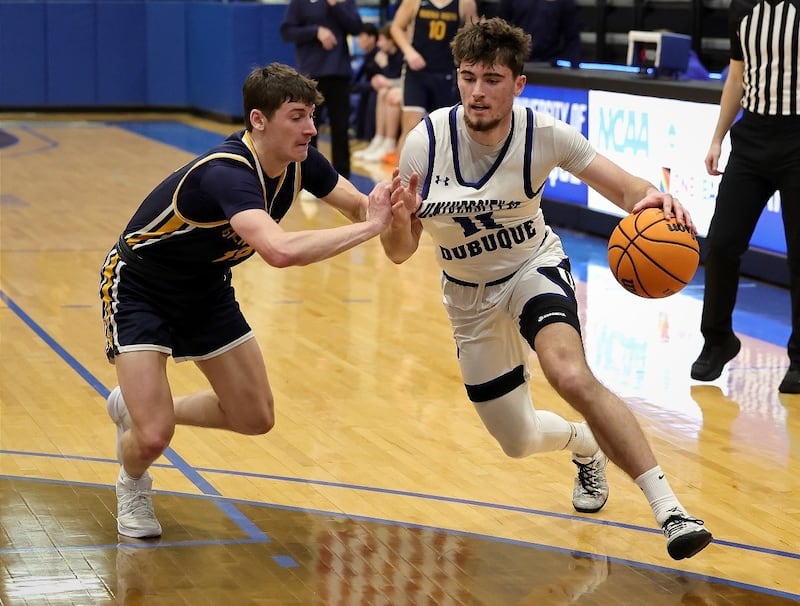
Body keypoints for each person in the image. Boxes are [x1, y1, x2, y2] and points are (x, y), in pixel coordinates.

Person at [381, 17, 713, 560]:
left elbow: (626, 188)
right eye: (468, 77)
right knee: (517, 441)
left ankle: (671, 510)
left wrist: (656, 199)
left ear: (518, 84)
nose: (477, 91)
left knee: (569, 374)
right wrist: (397, 222)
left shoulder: (545, 134)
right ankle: (584, 445)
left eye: (492, 79)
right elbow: (400, 251)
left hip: (532, 269)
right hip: (467, 296)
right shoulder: (426, 142)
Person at [99, 63, 394, 539]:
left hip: (205, 288)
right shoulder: (226, 172)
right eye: (297, 117)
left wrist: (392, 205)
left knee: (255, 418)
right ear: (259, 120)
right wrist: (371, 228)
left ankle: (135, 407)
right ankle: (132, 483)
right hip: (140, 286)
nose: (311, 128)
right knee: (153, 437)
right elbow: (279, 251)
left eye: (312, 115)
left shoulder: (301, 162)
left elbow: (361, 206)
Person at [690, 0, 800, 392]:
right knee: (721, 243)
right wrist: (717, 138)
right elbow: (736, 76)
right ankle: (717, 340)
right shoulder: (742, 8)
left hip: (796, 137)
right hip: (751, 138)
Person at [386, 0, 478, 167]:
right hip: (417, 72)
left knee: (444, 131)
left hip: (446, 73)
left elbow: (474, 34)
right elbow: (396, 27)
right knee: (411, 127)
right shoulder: (414, 2)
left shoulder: (465, 3)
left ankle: (441, 176)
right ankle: (400, 177)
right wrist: (408, 51)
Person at [280, 0, 363, 179]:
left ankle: (342, 177)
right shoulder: (300, 3)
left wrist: (336, 6)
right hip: (311, 75)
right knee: (308, 128)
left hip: (339, 73)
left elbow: (356, 27)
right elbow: (287, 32)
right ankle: (308, 176)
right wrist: (315, 31)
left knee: (341, 128)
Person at [354, 24, 405, 163]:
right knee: (382, 92)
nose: (379, 44)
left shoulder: (401, 55)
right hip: (392, 89)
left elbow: (402, 79)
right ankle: (379, 138)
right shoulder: (386, 55)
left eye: (382, 40)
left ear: (391, 41)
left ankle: (389, 142)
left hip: (404, 92)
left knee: (388, 94)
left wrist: (384, 68)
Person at [498, 0, 581, 66]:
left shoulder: (564, 2)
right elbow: (501, 28)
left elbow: (572, 36)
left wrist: (574, 67)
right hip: (517, 61)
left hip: (549, 63)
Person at [351, 22, 381, 142]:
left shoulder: (379, 55)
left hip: (377, 91)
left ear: (372, 38)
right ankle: (361, 136)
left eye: (361, 37)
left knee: (371, 94)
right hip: (369, 89)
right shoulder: (368, 56)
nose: (358, 41)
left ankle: (369, 138)